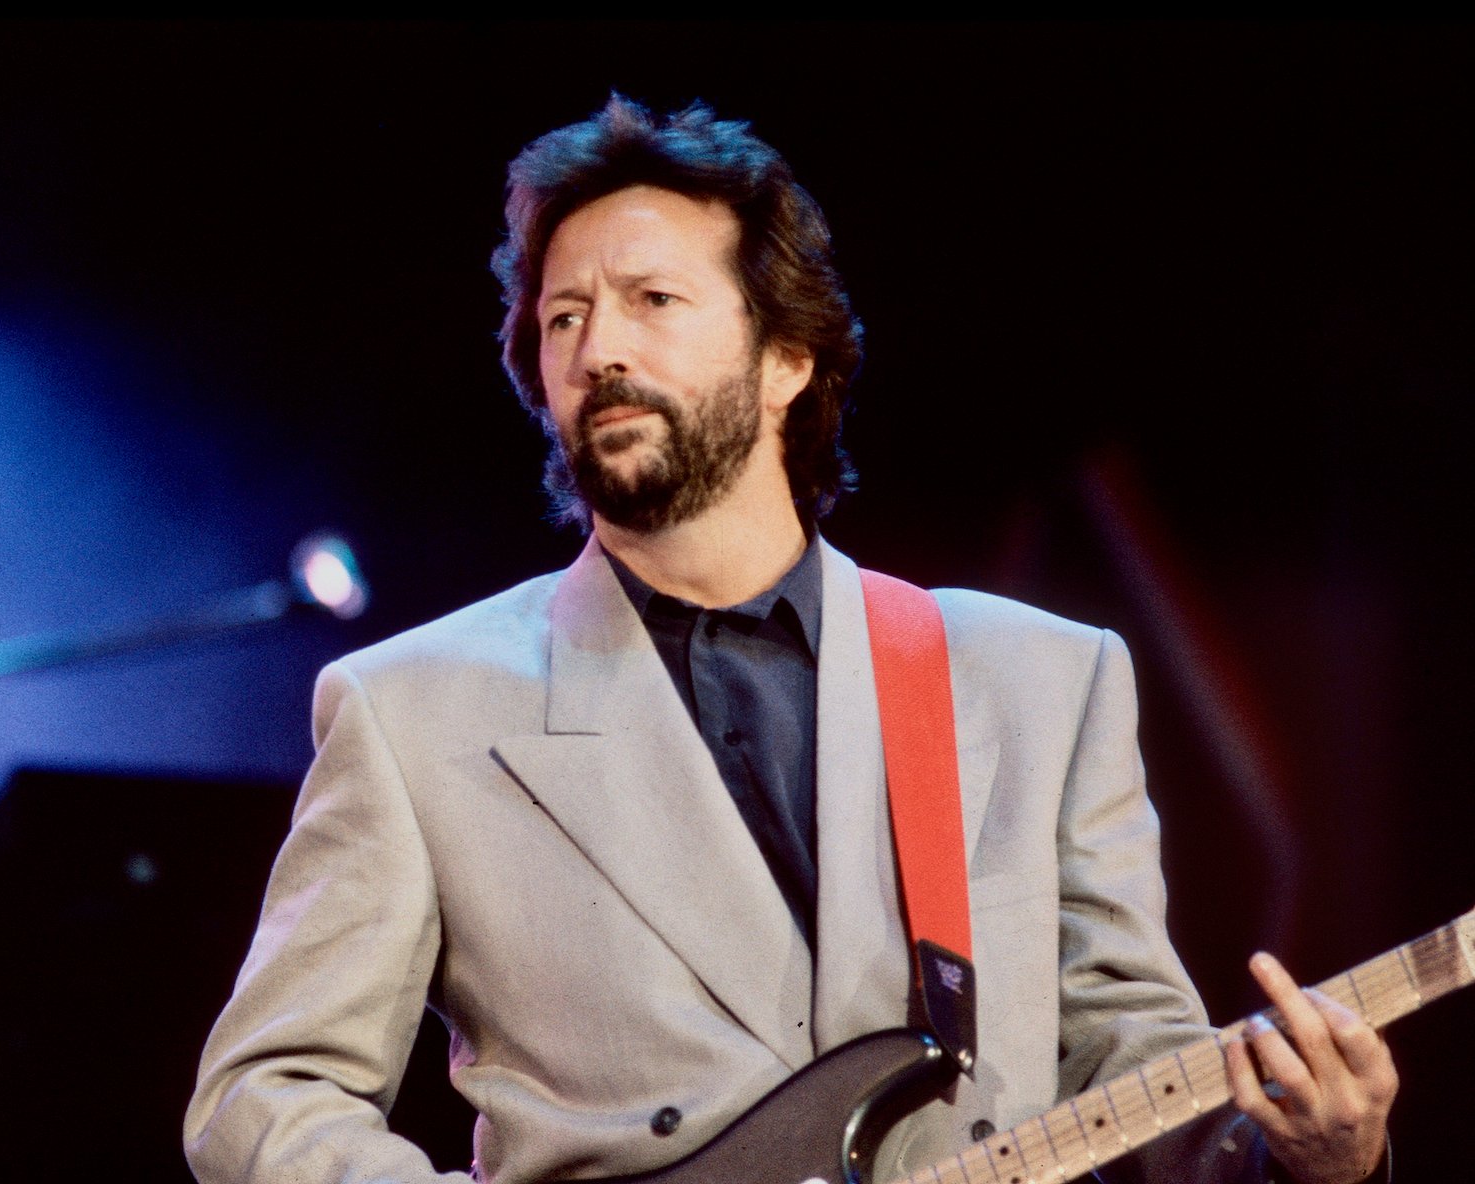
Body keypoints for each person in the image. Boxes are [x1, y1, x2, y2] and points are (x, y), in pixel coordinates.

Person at [184, 96, 1395, 1184]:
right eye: (563, 318)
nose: (598, 348)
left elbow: (1141, 1066)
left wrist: (1310, 1155)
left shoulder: (1041, 677)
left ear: (785, 361)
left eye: (653, 301)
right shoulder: (412, 711)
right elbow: (260, 1094)